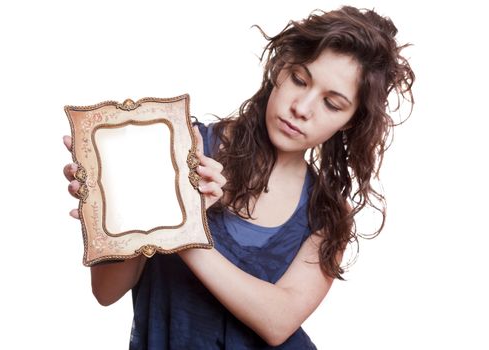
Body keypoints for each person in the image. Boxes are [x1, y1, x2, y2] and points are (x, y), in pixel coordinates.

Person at [63, 5, 414, 349]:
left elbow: (278, 322)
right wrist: (112, 206)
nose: (301, 108)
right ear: (280, 68)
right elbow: (105, 293)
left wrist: (184, 224)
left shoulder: (327, 215)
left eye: (332, 104)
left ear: (350, 121)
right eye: (299, 79)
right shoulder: (181, 148)